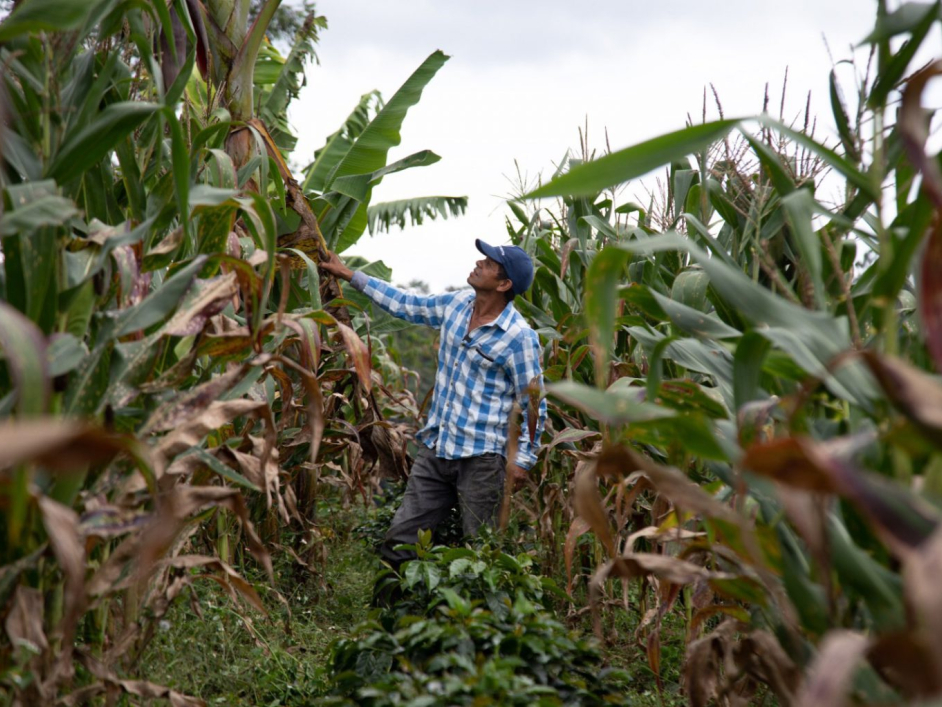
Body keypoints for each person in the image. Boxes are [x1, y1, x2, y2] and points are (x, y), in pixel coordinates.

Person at [319, 239, 547, 567]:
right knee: (400, 540)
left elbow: (534, 403)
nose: (479, 263)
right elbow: (407, 304)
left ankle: (478, 617)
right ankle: (394, 612)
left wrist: (523, 460)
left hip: (482, 460)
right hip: (436, 448)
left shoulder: (519, 337)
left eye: (489, 263)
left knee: (479, 553)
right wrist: (349, 275)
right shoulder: (456, 305)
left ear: (504, 284)